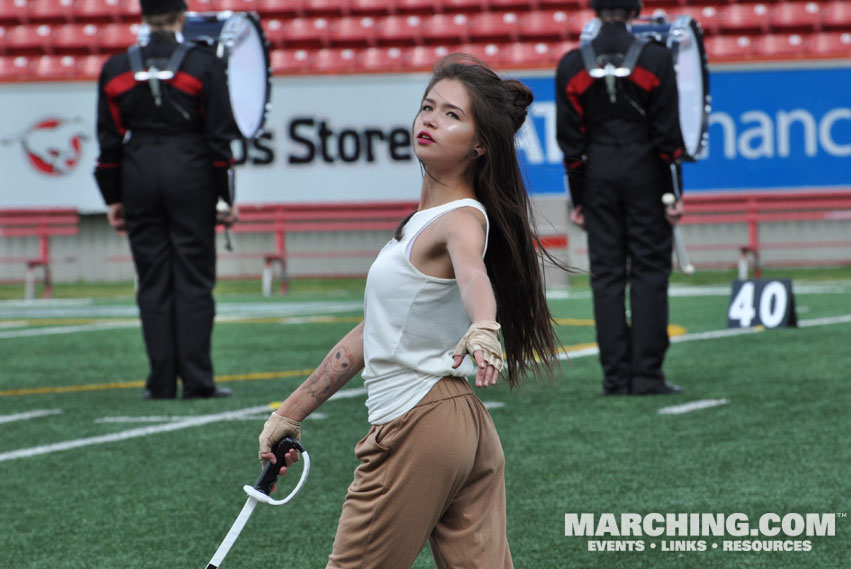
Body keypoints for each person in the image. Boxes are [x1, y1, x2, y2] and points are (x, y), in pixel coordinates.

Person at [257, 55, 566, 569]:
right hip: (462, 426)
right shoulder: (422, 222)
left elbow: (473, 275)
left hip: (415, 423)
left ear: (480, 143)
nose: (430, 120)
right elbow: (370, 335)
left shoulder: (462, 218)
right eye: (427, 107)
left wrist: (484, 326)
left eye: (451, 115)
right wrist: (289, 413)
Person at [93, 0, 238, 399]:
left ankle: (159, 382)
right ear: (181, 17)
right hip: (191, 175)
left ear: (142, 16)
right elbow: (220, 139)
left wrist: (113, 197)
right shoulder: (203, 64)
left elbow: (108, 143)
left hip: (137, 173)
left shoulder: (116, 68)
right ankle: (197, 379)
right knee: (193, 278)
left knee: (153, 280)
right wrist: (225, 197)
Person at [555, 0, 685, 396]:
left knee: (607, 276)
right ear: (635, 11)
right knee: (648, 272)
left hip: (596, 179)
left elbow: (571, 144)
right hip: (646, 174)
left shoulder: (572, 64)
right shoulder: (657, 59)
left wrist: (579, 197)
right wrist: (672, 194)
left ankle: (615, 377)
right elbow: (668, 138)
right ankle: (646, 375)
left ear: (595, 10)